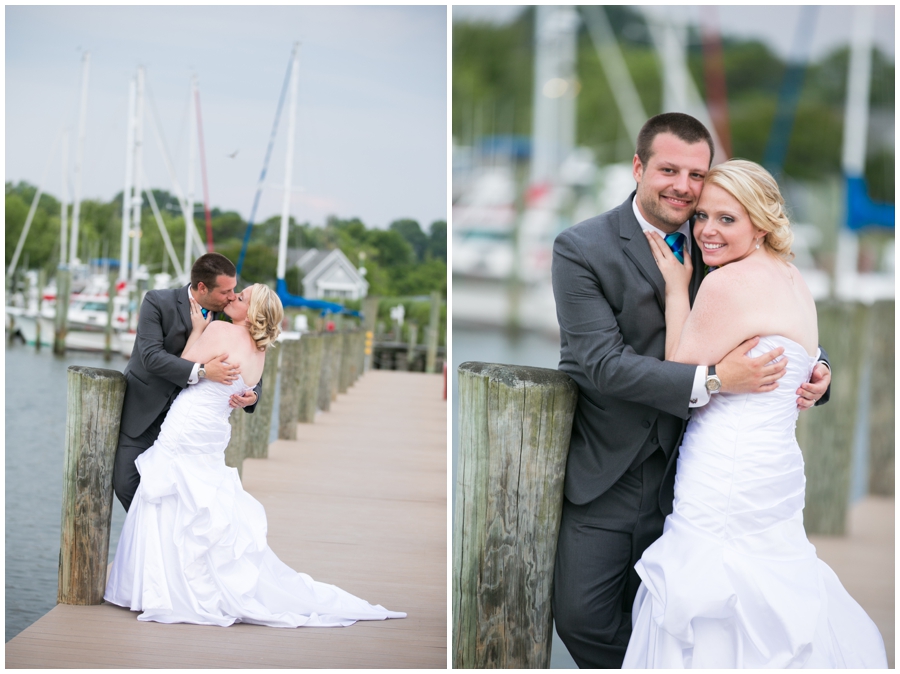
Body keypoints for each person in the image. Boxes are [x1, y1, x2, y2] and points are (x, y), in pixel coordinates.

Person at [550, 113, 832, 669]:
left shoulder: (721, 243)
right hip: (610, 470)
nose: (683, 186)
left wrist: (818, 370)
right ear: (638, 167)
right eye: (668, 169)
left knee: (696, 618)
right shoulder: (582, 248)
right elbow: (605, 365)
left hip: (698, 474)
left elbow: (772, 319)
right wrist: (719, 380)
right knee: (583, 619)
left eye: (696, 173)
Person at [622, 159, 886, 667]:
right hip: (777, 470)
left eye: (727, 219)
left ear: (761, 222)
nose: (706, 232)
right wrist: (821, 370)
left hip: (727, 468)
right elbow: (805, 354)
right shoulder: (792, 278)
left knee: (710, 586)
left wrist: (678, 290)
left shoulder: (726, 284)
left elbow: (678, 370)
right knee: (769, 581)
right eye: (701, 217)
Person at [105, 283, 406, 627]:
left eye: (242, 297)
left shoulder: (218, 330)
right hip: (213, 431)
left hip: (188, 427)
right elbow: (246, 388)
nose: (234, 297)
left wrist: (200, 330)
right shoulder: (260, 351)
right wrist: (247, 395)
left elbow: (183, 366)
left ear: (252, 313)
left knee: (172, 493)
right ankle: (175, 579)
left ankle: (163, 585)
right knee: (196, 499)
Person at [113, 252, 261, 512]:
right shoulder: (157, 301)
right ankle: (151, 546)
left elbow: (250, 360)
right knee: (127, 485)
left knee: (187, 498)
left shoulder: (228, 316)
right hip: (143, 416)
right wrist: (203, 370)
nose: (231, 296)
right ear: (202, 287)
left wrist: (254, 394)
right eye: (225, 290)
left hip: (189, 429)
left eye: (234, 290)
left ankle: (168, 549)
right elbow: (151, 358)